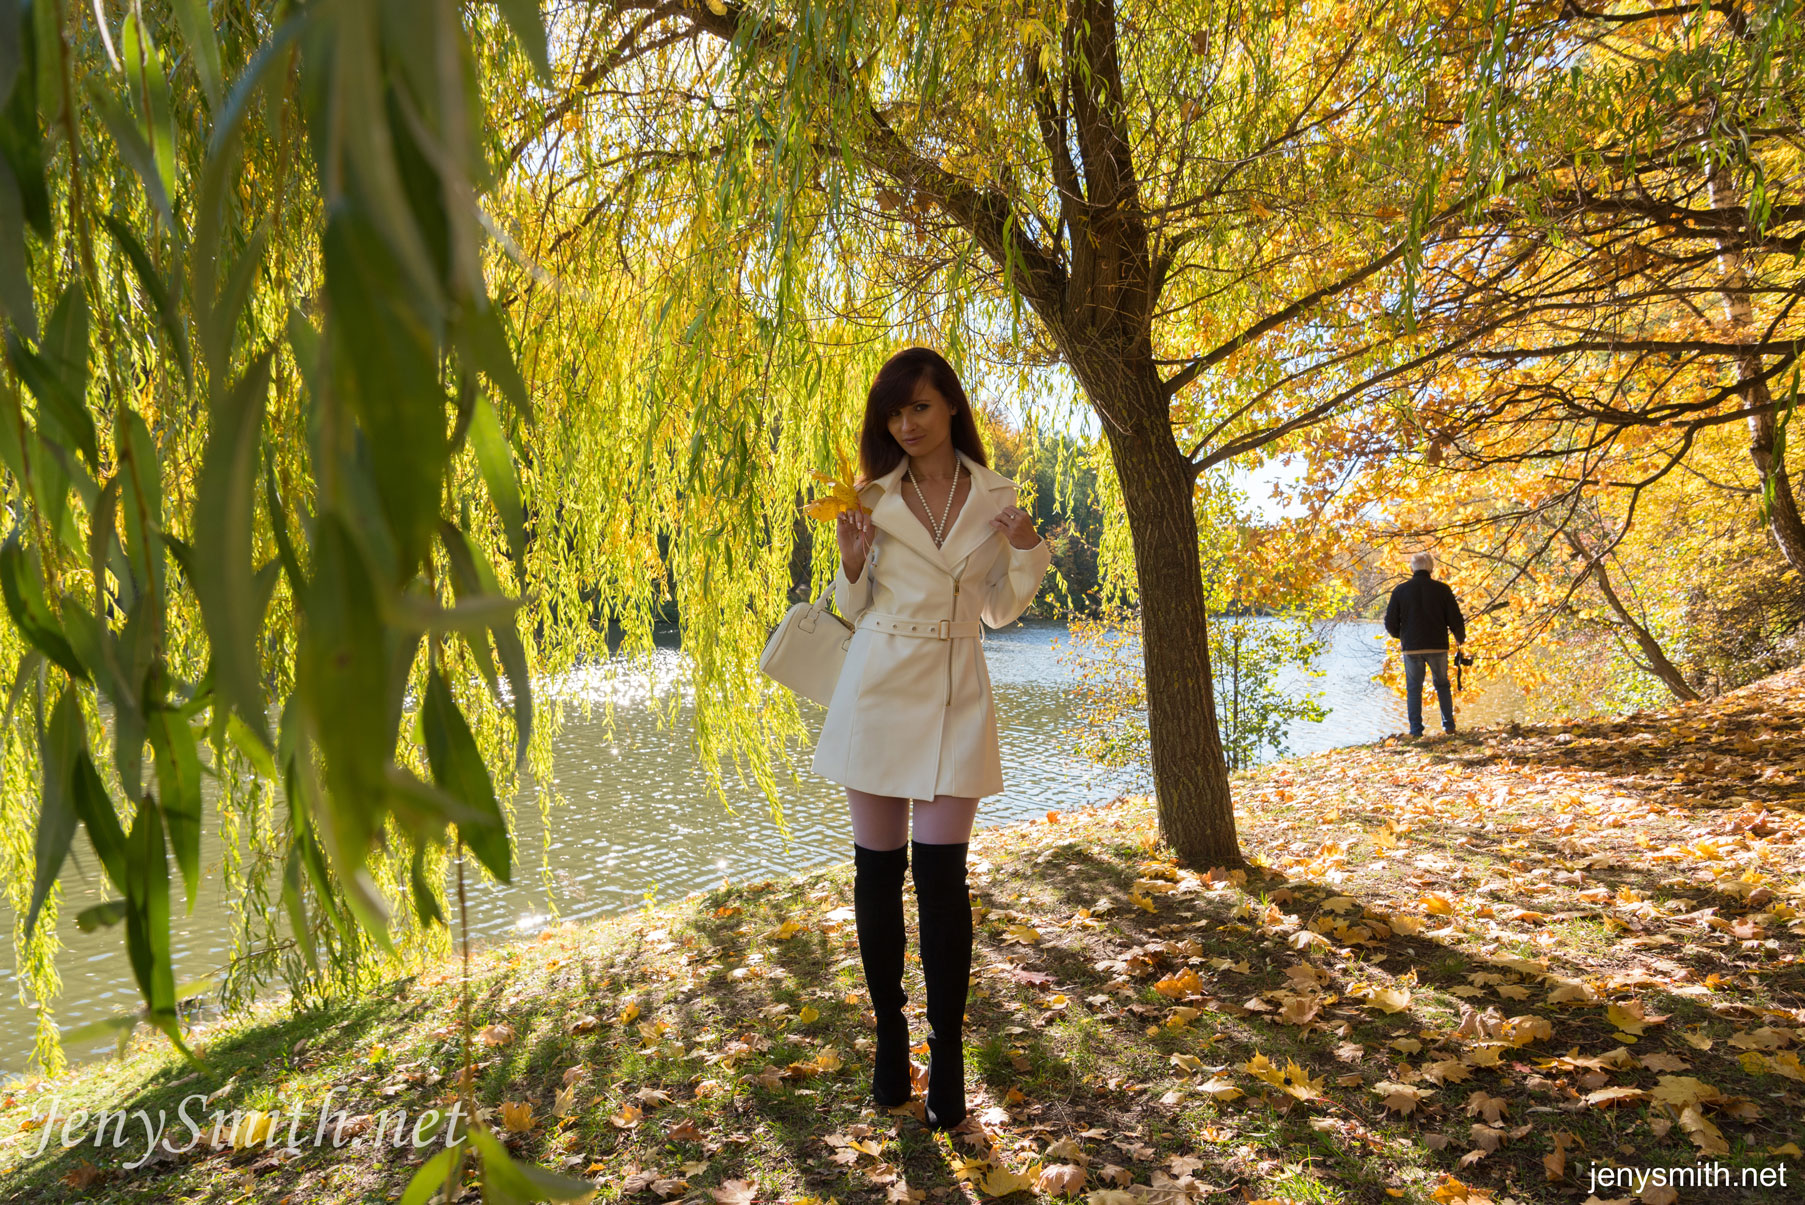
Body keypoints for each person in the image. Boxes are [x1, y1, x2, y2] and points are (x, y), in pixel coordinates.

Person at [813, 347, 1053, 1130]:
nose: (905, 424)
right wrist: (851, 563)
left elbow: (999, 611)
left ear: (950, 403)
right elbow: (851, 607)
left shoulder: (997, 496)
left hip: (956, 685)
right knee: (877, 872)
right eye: (893, 413)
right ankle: (889, 1040)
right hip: (877, 684)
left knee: (942, 880)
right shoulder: (869, 497)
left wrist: (1027, 547)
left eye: (918, 406)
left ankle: (946, 1054)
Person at [1384, 551, 1467, 737]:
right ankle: (1449, 726)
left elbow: (1390, 622)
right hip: (1437, 645)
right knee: (1442, 685)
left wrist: (1401, 636)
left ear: (1412, 568)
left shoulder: (1400, 591)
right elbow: (1455, 618)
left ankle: (1416, 730)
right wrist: (1459, 637)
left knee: (1414, 688)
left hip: (1412, 647)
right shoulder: (1442, 590)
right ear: (1431, 568)